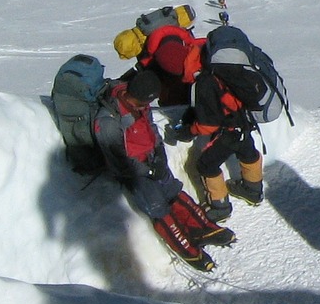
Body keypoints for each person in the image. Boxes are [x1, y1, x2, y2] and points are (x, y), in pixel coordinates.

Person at [92, 68, 226, 270]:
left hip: (151, 160)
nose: (146, 106)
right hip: (134, 172)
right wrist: (146, 170)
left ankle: (201, 227)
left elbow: (151, 129)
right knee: (157, 206)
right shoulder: (108, 120)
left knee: (172, 189)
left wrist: (159, 155)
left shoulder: (140, 106)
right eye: (144, 102)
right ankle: (186, 247)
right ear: (133, 95)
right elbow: (118, 161)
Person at [186, 56, 269, 222]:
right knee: (248, 152)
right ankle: (253, 190)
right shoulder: (235, 72)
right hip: (244, 125)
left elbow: (208, 124)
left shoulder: (208, 80)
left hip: (228, 133)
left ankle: (220, 207)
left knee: (206, 165)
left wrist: (189, 130)